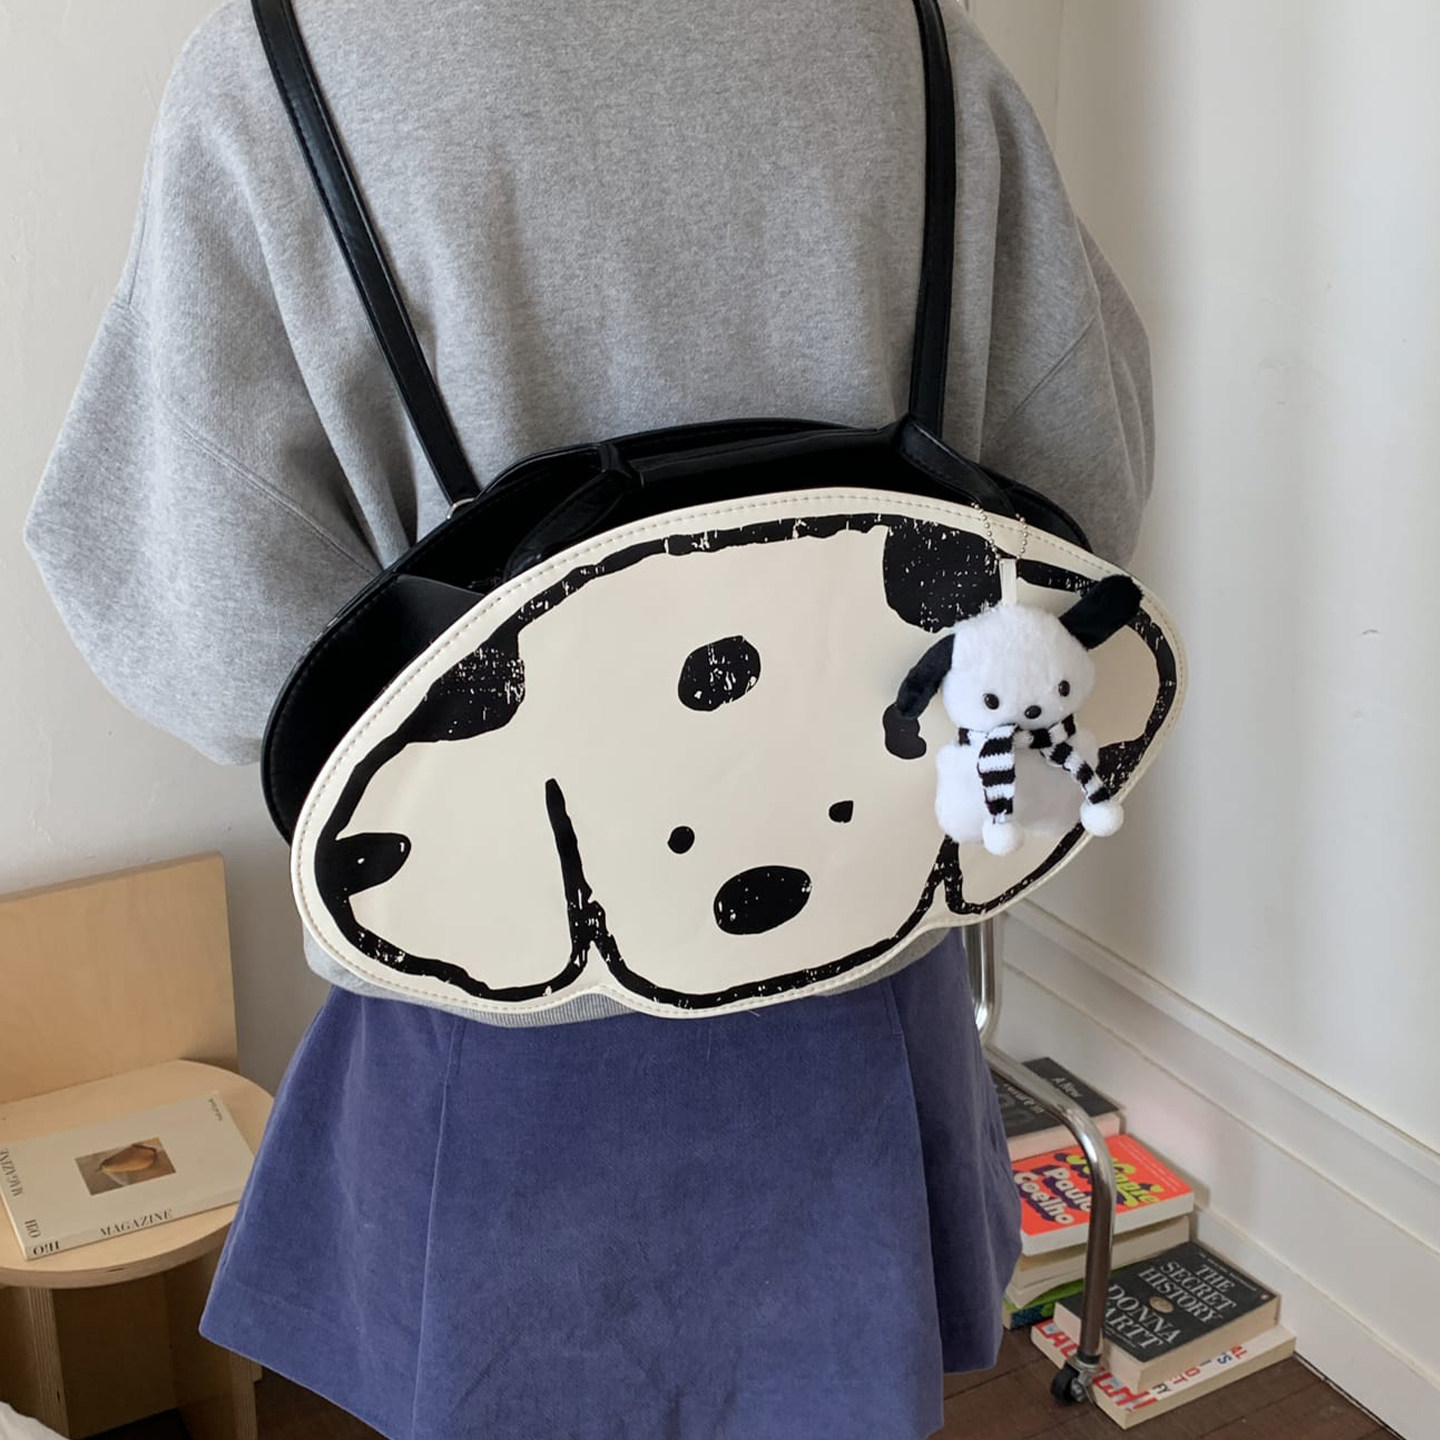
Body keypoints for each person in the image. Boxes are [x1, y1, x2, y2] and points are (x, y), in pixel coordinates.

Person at [25, 1, 1152, 1437]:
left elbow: (207, 622)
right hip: (859, 967)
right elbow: (1075, 499)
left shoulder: (282, 64)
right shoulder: (911, 33)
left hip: (507, 988)